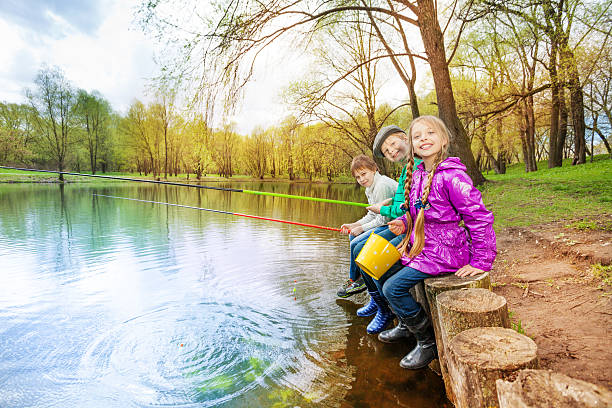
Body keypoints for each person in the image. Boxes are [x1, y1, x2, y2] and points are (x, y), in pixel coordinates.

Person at [371, 115, 497, 369]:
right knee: (381, 269)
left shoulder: (452, 177)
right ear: (413, 144)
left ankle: (427, 343)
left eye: (430, 133)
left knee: (392, 288)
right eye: (418, 136)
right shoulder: (418, 175)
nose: (424, 139)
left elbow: (479, 217)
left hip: (445, 251)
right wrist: (404, 223)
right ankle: (407, 325)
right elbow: (420, 212)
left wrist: (482, 260)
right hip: (424, 245)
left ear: (443, 139)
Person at [344, 125, 421, 335]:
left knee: (368, 253)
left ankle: (385, 308)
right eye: (387, 150)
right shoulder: (407, 169)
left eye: (393, 144)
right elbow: (398, 207)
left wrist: (380, 212)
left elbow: (388, 215)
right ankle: (378, 301)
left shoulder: (386, 183)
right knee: (360, 247)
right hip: (403, 223)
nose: (392, 151)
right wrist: (356, 226)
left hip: (405, 227)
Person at [337, 155, 398, 298]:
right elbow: (372, 215)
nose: (362, 179)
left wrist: (362, 229)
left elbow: (383, 219)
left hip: (395, 225)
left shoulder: (382, 185)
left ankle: (357, 280)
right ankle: (356, 279)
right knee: (353, 235)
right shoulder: (370, 186)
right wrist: (354, 225)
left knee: (356, 245)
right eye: (358, 177)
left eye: (364, 174)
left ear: (374, 169)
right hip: (386, 222)